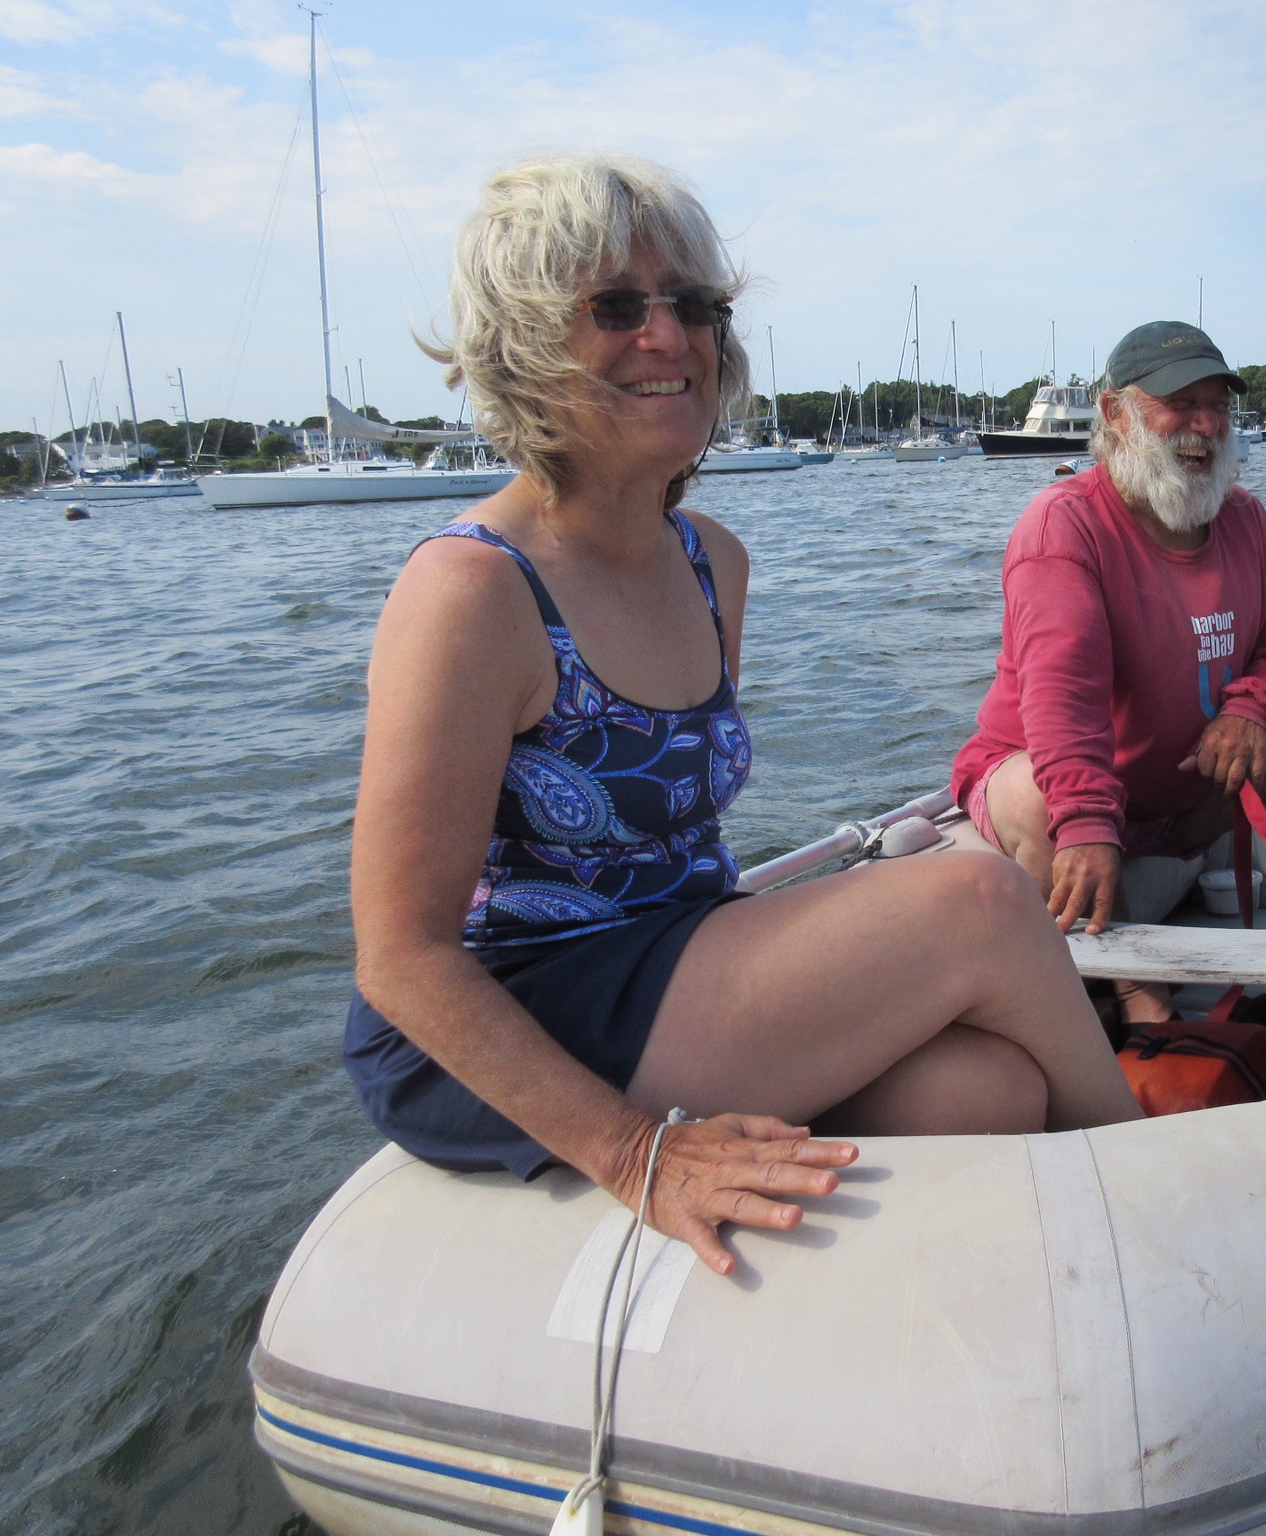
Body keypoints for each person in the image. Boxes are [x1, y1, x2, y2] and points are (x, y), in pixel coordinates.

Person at [345, 154, 1140, 1277]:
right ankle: (1157, 1192)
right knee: (977, 897)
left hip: (672, 952)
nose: (668, 336)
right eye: (616, 307)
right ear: (523, 342)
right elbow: (400, 958)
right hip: (526, 996)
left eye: (695, 306)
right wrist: (634, 1157)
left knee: (992, 1090)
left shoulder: (713, 562)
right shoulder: (471, 592)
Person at [951, 322, 1266, 1022]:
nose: (1205, 425)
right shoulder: (1064, 526)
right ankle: (1148, 1019)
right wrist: (1089, 821)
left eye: (1218, 405)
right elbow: (1064, 695)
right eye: (1180, 403)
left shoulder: (1245, 519)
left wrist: (1253, 709)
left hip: (1182, 798)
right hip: (1065, 792)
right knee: (1038, 794)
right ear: (1115, 415)